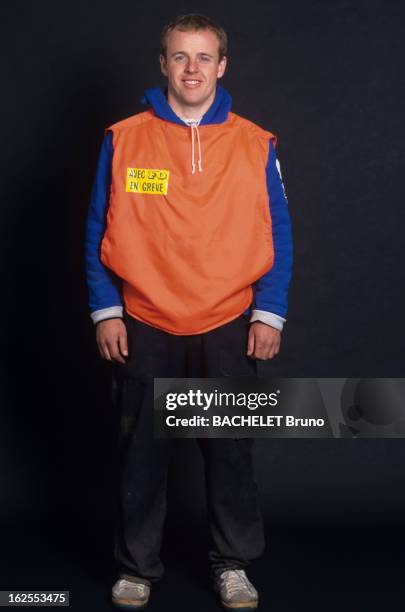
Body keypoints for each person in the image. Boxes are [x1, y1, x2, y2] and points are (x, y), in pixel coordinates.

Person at [85, 13, 292, 610]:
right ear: (163, 65)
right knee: (141, 453)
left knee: (231, 451)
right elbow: (98, 225)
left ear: (222, 66)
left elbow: (279, 231)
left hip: (228, 322)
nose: (192, 68)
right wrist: (106, 311)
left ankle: (232, 565)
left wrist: (267, 314)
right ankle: (136, 568)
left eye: (204, 57)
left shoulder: (256, 142)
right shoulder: (123, 136)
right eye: (180, 56)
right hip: (145, 321)